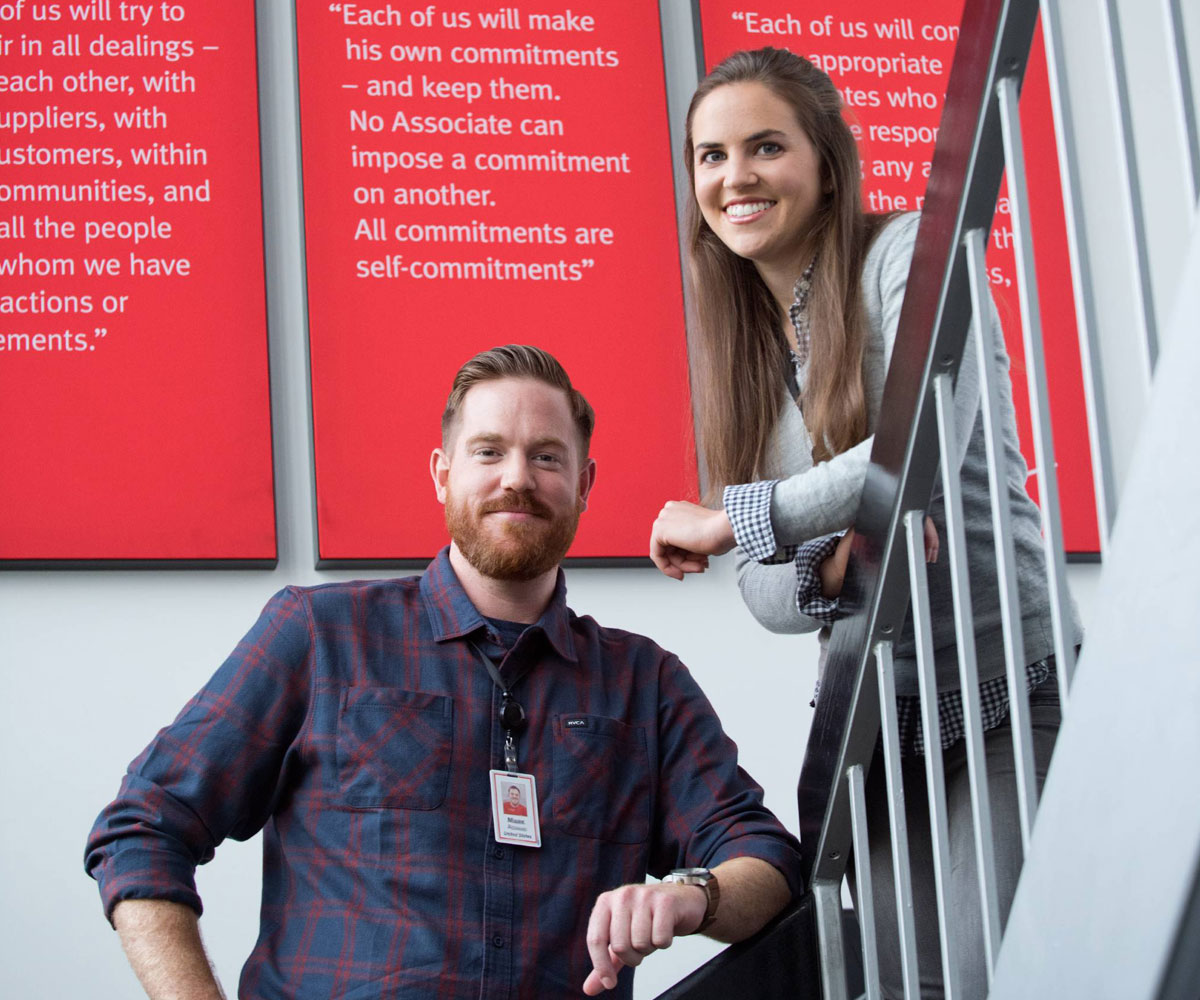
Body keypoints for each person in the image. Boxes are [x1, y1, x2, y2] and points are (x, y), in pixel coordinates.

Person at [85, 344, 802, 1000]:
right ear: (443, 473)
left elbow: (765, 861)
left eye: (547, 458)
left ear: (584, 485)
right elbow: (143, 827)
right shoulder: (319, 635)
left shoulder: (644, 683)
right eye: (489, 451)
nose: (517, 479)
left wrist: (693, 895)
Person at [647, 48, 1081, 1000]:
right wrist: (836, 574)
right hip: (880, 725)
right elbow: (766, 595)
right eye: (710, 156)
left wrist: (739, 519)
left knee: (985, 980)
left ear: (827, 162)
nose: (735, 177)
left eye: (766, 146)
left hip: (1006, 674)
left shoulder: (910, 255)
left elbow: (914, 436)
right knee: (896, 985)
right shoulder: (749, 356)